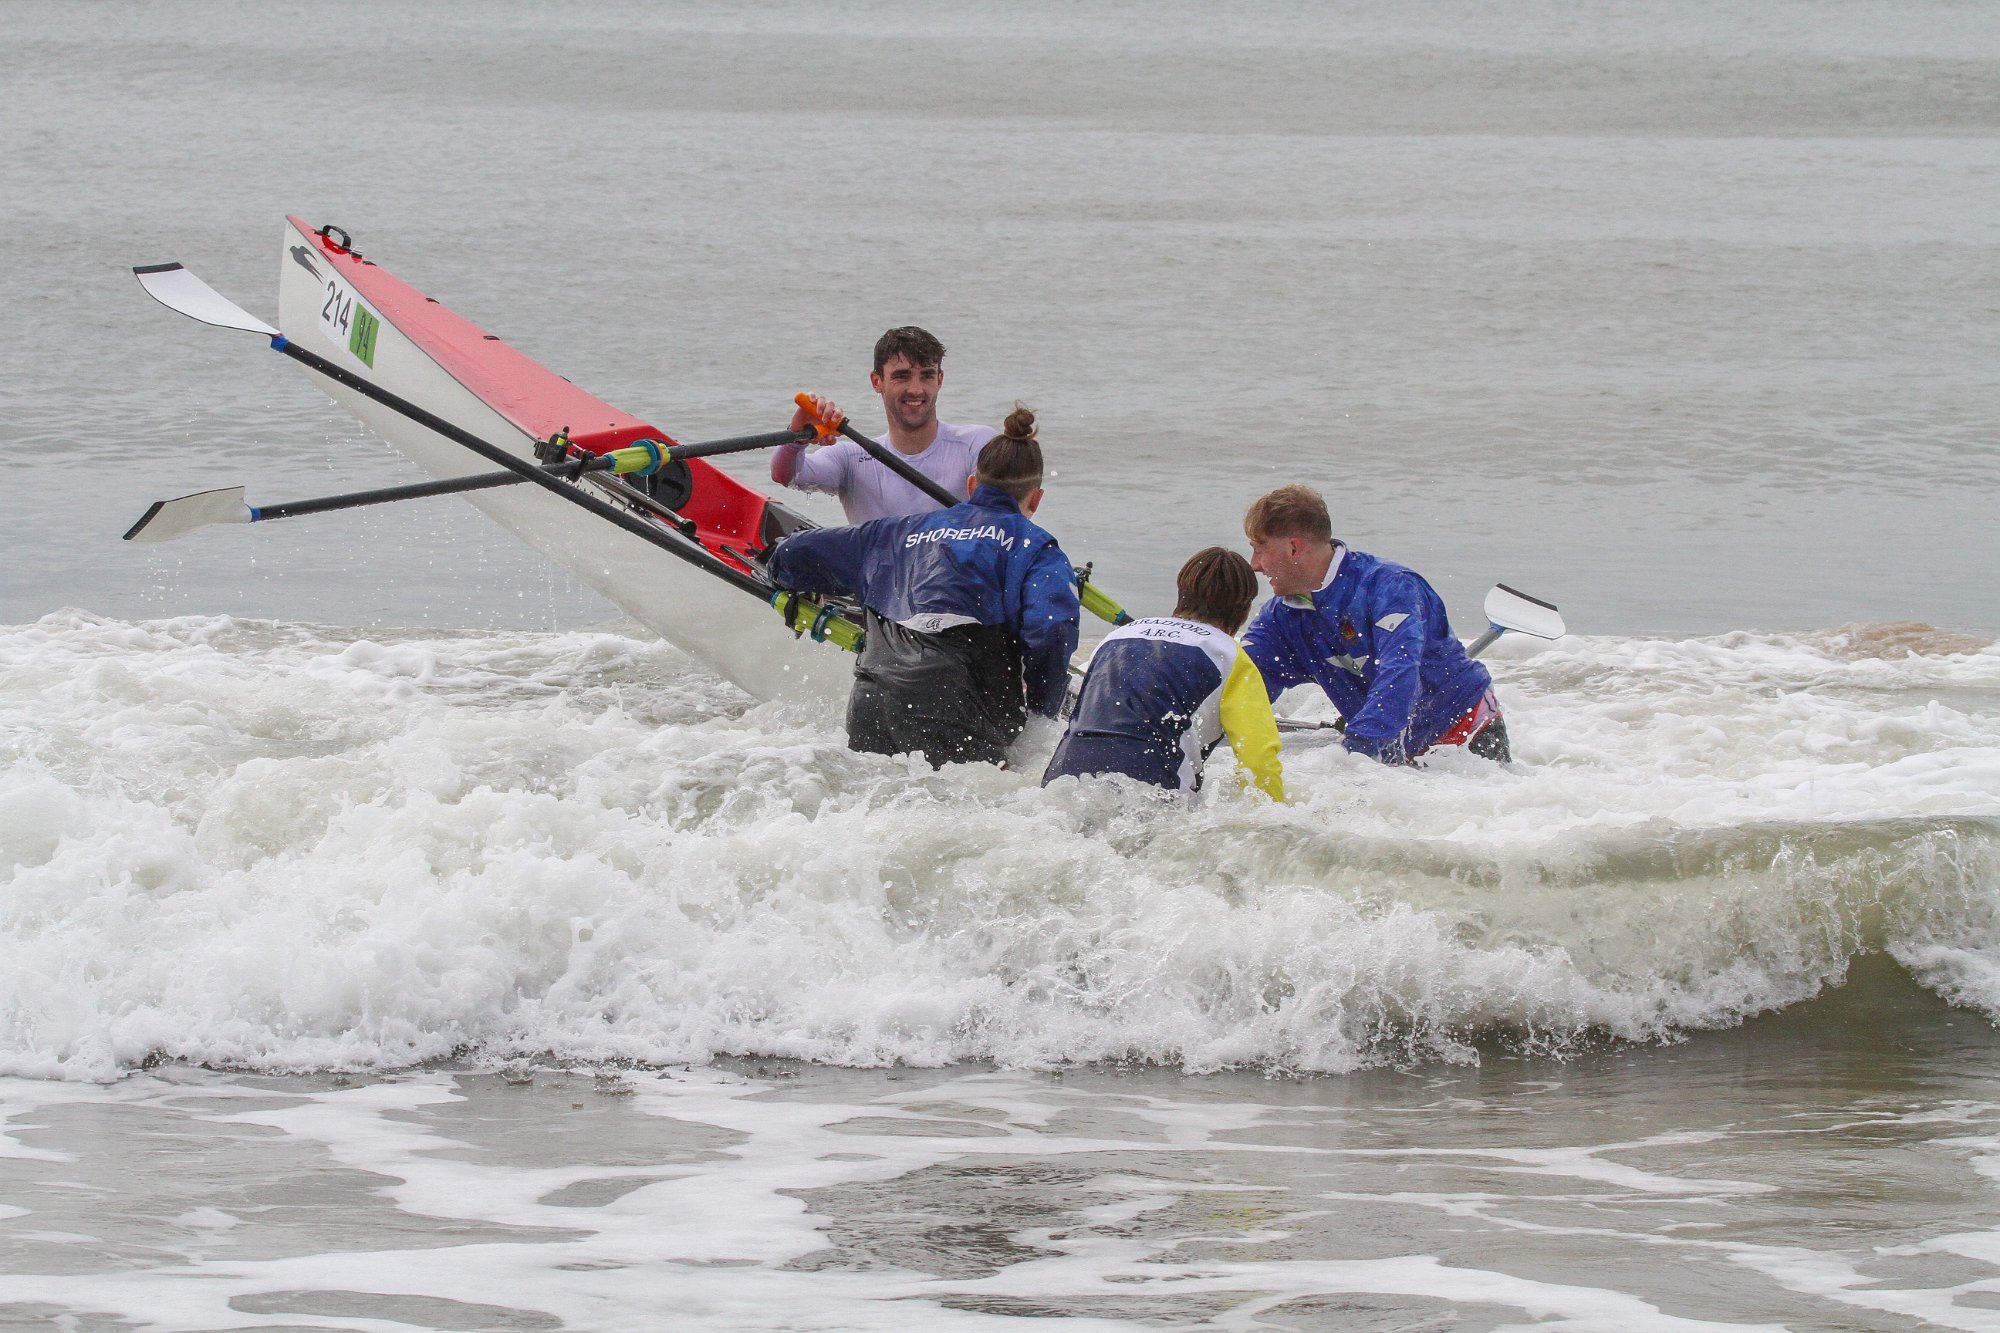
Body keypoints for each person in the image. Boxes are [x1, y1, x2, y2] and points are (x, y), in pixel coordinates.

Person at [767, 407, 1080, 767]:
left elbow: (793, 554)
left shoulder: (896, 531)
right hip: (955, 712)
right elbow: (1052, 630)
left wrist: (788, 578)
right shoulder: (1036, 549)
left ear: (972, 485)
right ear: (1036, 499)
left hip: (872, 704)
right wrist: (1042, 715)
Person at [1240, 485, 1509, 765]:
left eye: (1259, 549)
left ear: (1293, 547)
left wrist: (1353, 753)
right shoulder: (1280, 618)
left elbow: (1400, 673)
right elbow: (1243, 685)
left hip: (1463, 734)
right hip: (1392, 748)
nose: (1255, 565)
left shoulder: (1390, 588)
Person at [1044, 548, 1285, 801]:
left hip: (1063, 775)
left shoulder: (1116, 638)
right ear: (1245, 609)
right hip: (1150, 781)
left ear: (1182, 593)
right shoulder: (1229, 655)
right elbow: (1259, 758)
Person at [771, 326, 994, 523]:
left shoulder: (976, 444)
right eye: (902, 376)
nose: (916, 389)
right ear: (877, 382)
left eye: (926, 375)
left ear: (940, 380)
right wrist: (798, 437)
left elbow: (1005, 513)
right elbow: (785, 476)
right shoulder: (851, 460)